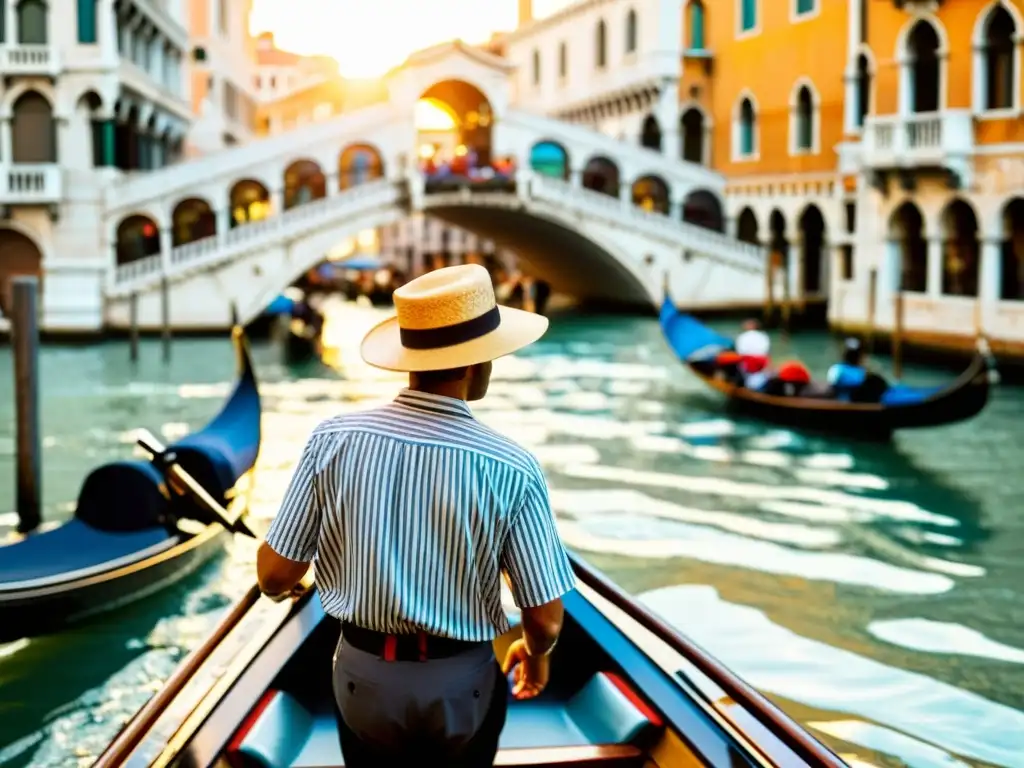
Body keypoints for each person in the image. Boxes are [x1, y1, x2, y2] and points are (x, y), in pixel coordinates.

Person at [255, 264, 576, 767]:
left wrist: (290, 587)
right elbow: (546, 621)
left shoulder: (332, 439)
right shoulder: (512, 466)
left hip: (363, 678)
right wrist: (533, 657)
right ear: (477, 362)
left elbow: (274, 576)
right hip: (461, 685)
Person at [734, 318, 771, 389]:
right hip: (761, 360)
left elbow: (740, 352)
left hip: (748, 361)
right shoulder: (764, 336)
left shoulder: (742, 336)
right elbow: (766, 352)